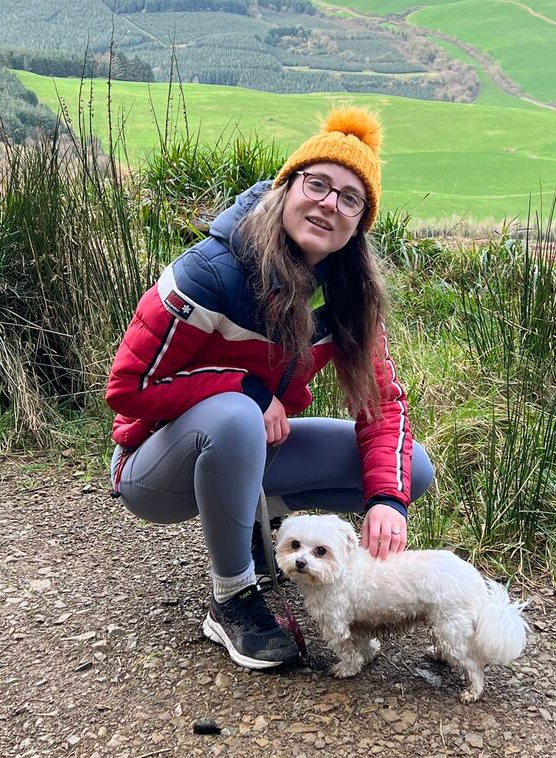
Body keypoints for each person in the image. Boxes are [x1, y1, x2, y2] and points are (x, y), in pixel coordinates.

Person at [105, 107, 434, 670]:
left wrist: (385, 500)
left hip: (254, 451)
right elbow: (128, 388)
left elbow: (382, 406)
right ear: (286, 189)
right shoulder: (210, 272)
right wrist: (249, 391)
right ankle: (232, 597)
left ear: (359, 223)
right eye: (318, 184)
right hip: (153, 467)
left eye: (350, 198)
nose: (330, 203)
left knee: (413, 471)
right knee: (235, 415)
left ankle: (261, 536)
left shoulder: (348, 296)